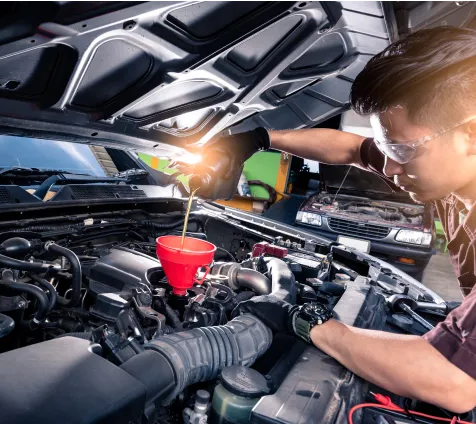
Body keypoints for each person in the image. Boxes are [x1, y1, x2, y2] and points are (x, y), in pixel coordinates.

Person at [198, 27, 476, 413]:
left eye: (402, 148)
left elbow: (456, 382)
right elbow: (349, 148)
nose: (390, 166)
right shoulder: (451, 172)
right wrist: (259, 139)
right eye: (385, 146)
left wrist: (310, 324)